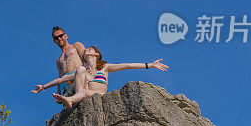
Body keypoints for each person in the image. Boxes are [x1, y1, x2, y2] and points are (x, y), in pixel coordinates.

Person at [32, 45, 169, 108]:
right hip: (83, 93)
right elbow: (60, 79)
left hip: (98, 95)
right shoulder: (82, 70)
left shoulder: (105, 68)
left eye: (89, 49)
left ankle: (70, 100)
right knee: (79, 70)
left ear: (96, 54)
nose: (86, 50)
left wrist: (150, 65)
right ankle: (71, 99)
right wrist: (43, 87)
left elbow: (127, 65)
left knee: (84, 90)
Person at [50, 26, 86, 101]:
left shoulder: (76, 46)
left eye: (61, 36)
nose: (59, 39)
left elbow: (88, 59)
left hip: (77, 79)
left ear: (65, 36)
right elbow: (60, 76)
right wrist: (59, 92)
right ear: (54, 40)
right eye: (56, 38)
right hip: (65, 85)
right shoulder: (59, 60)